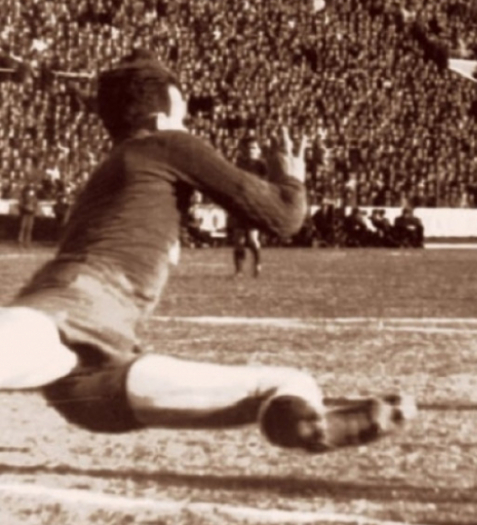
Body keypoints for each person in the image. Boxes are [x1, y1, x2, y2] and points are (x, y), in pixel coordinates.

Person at [0, 50, 415, 454]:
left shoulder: (115, 169)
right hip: (79, 321)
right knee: (281, 385)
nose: (187, 127)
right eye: (182, 115)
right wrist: (291, 180)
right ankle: (305, 421)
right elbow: (284, 217)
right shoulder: (164, 142)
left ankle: (311, 424)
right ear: (162, 116)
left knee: (290, 387)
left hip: (97, 350)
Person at [229, 137, 267, 277]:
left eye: (254, 148)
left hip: (254, 205)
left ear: (258, 150)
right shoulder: (240, 164)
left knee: (252, 239)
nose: (251, 150)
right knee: (238, 240)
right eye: (249, 148)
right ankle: (239, 270)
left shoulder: (262, 166)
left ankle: (258, 264)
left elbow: (266, 184)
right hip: (240, 204)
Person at [17, 182, 39, 248]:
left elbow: (36, 204)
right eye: (30, 188)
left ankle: (27, 241)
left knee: (29, 228)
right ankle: (20, 241)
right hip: (25, 213)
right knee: (23, 227)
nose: (31, 190)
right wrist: (26, 208)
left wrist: (34, 210)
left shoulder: (34, 197)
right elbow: (20, 204)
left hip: (31, 214)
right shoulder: (23, 196)